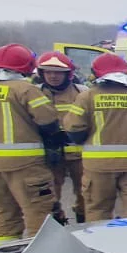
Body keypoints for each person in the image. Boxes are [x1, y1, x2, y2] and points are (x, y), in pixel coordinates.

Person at [0, 44, 63, 246]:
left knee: (2, 213)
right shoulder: (25, 90)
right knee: (39, 213)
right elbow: (48, 122)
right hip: (25, 164)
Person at [64, 53, 127, 220]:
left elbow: (74, 128)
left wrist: (85, 139)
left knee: (98, 210)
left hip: (98, 165)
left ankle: (100, 237)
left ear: (96, 73)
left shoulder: (87, 97)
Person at [34, 51, 87, 224]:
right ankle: (56, 221)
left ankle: (83, 222)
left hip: (79, 155)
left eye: (58, 72)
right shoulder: (35, 93)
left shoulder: (82, 92)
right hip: (50, 154)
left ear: (68, 74)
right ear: (41, 74)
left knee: (85, 193)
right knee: (49, 195)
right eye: (48, 72)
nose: (53, 76)